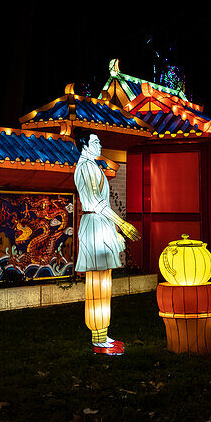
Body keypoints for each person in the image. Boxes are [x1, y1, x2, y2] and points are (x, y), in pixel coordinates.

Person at [73, 132, 138, 355]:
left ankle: (102, 335)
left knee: (103, 284)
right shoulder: (85, 168)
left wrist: (115, 229)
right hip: (94, 226)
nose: (99, 144)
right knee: (97, 285)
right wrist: (122, 223)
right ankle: (98, 338)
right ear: (84, 146)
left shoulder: (93, 166)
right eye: (95, 142)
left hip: (100, 224)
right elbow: (96, 203)